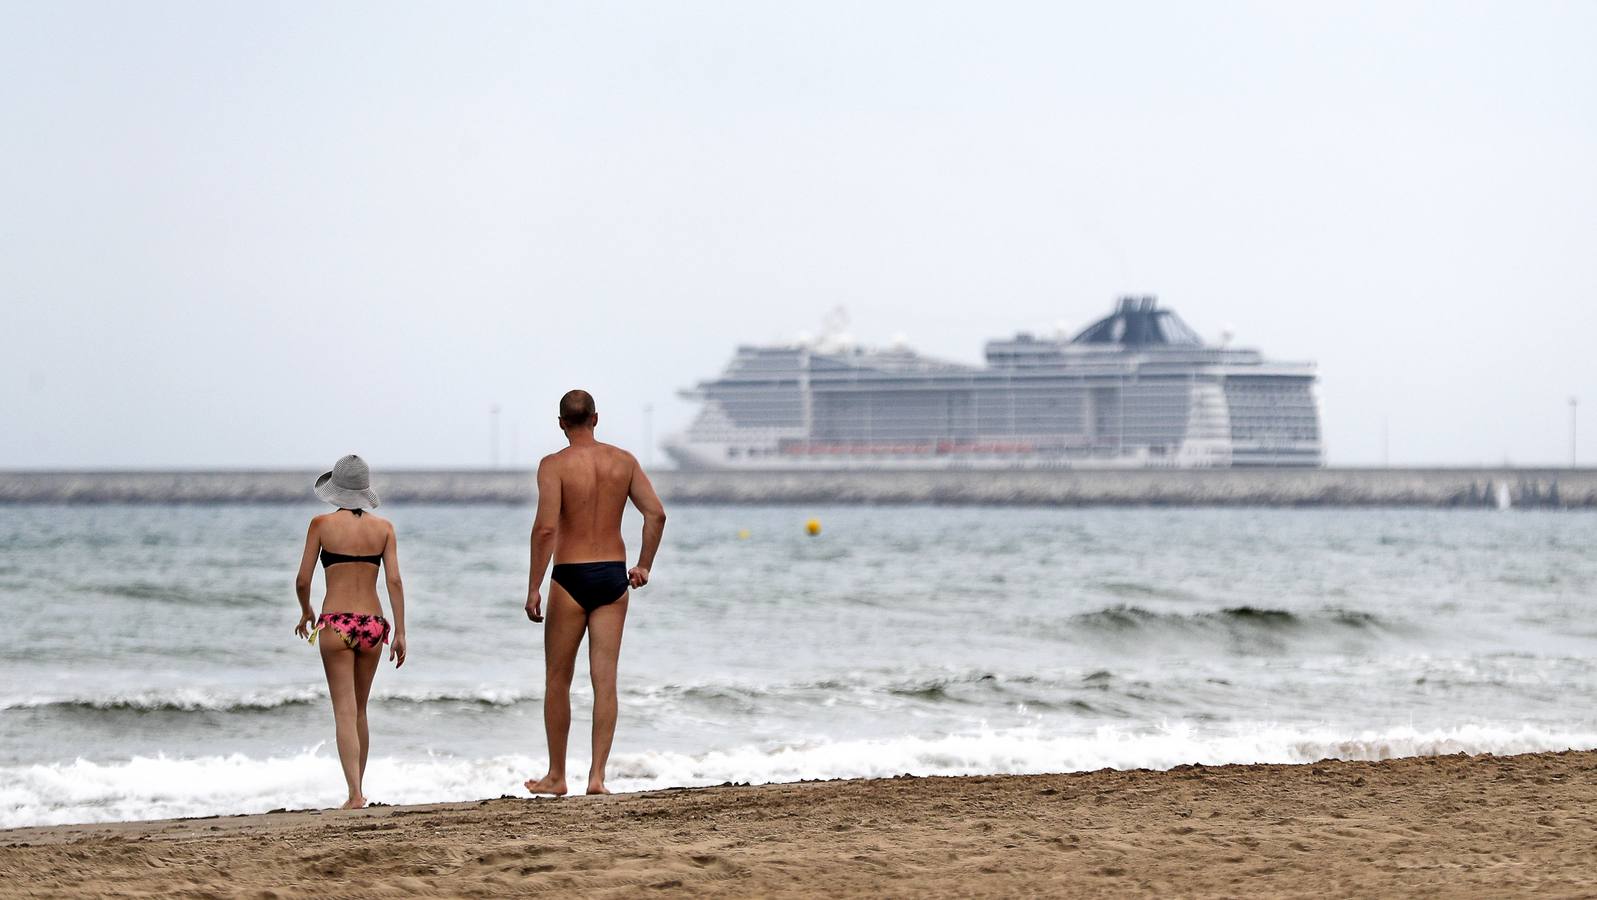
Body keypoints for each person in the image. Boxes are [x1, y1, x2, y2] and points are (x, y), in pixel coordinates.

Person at [523, 389, 666, 796]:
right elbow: (656, 513)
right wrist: (643, 566)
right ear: (596, 419)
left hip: (569, 575)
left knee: (557, 680)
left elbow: (546, 529)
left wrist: (534, 586)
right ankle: (597, 777)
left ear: (562, 423)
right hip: (612, 575)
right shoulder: (623, 461)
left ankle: (556, 776)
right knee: (605, 681)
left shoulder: (553, 466)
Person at [293, 454, 408, 809]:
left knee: (343, 711)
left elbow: (302, 580)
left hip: (336, 623)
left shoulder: (321, 525)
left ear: (336, 491)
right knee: (360, 710)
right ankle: (359, 788)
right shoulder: (384, 528)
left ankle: (355, 793)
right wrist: (400, 631)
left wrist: (306, 611)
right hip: (374, 624)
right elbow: (393, 580)